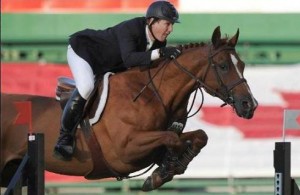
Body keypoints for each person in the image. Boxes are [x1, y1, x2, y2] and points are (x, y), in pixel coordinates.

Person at [53, 0, 182, 161]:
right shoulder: (132, 28)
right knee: (86, 87)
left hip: (107, 65)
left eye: (172, 25)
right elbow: (129, 59)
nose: (170, 29)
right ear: (152, 21)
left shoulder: (159, 41)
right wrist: (161, 53)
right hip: (84, 51)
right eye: (167, 24)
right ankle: (64, 138)